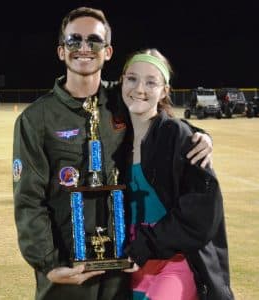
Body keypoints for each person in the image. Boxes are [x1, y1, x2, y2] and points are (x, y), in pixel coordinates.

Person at [12, 7, 213, 300]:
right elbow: (29, 200)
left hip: (122, 276)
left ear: (107, 51)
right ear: (60, 50)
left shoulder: (124, 102)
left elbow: (161, 116)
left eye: (94, 40)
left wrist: (199, 135)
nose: (84, 48)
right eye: (74, 40)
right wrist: (49, 263)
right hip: (69, 275)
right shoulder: (36, 119)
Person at [121, 49, 235, 300]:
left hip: (175, 262)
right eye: (132, 78)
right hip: (129, 265)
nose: (139, 88)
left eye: (151, 82)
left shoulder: (179, 137)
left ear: (164, 91)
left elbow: (201, 215)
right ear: (121, 81)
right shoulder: (115, 138)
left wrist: (201, 136)